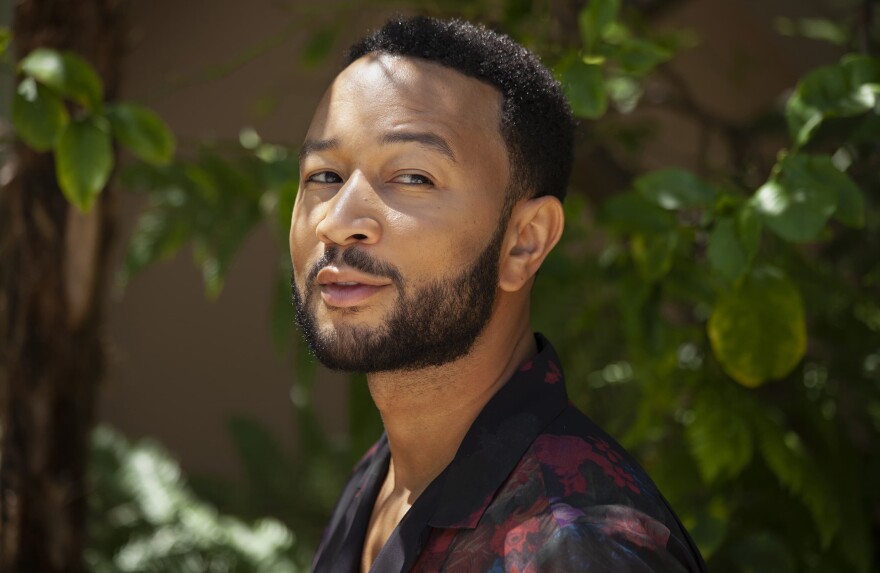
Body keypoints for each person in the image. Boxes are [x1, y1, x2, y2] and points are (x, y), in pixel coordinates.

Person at [289, 15, 707, 573]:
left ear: (524, 242)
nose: (338, 222)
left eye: (413, 177)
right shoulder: (382, 475)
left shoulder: (577, 545)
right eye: (324, 176)